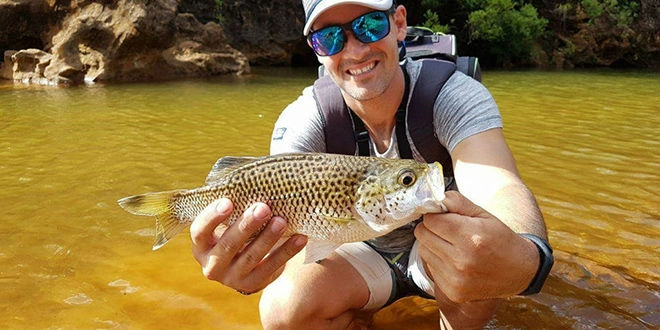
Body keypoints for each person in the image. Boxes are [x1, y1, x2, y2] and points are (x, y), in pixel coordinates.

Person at [190, 0, 552, 328]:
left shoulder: (453, 95)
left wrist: (527, 258)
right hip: (358, 252)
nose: (355, 49)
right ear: (317, 51)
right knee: (283, 311)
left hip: (441, 252)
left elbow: (499, 185)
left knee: (476, 253)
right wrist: (248, 265)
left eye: (368, 26)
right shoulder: (305, 118)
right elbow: (277, 216)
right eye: (330, 38)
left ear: (398, 24)